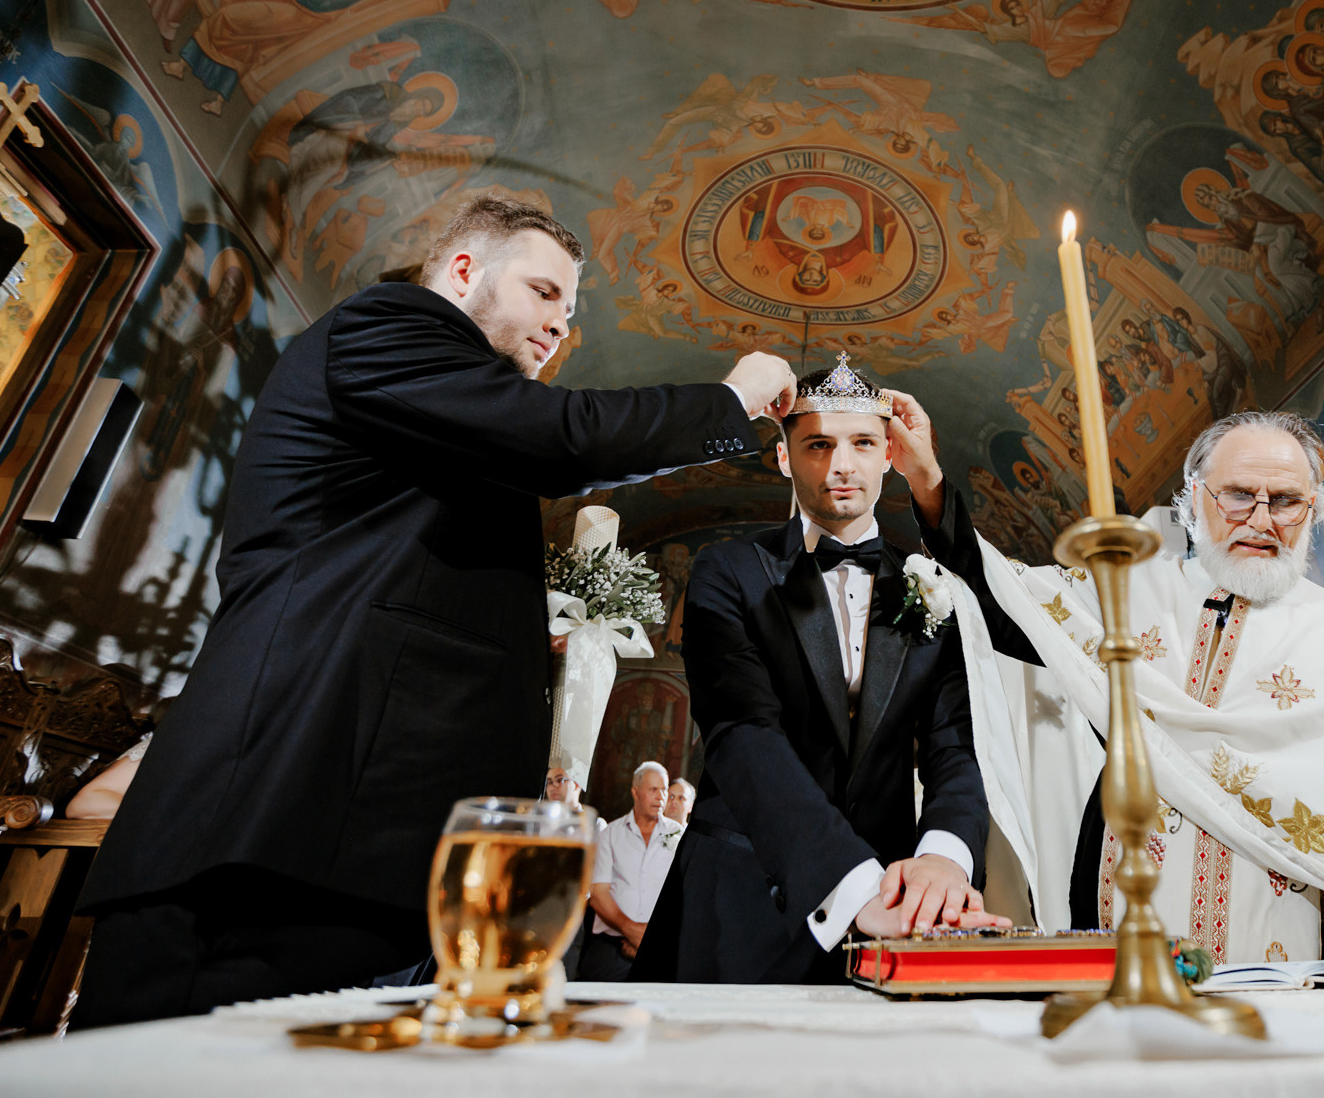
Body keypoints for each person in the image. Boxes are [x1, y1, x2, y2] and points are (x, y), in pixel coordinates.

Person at [72, 194, 796, 1028]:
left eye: (571, 306)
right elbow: (563, 437)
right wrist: (730, 399)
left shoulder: (450, 418)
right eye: (545, 291)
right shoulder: (387, 326)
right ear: (462, 271)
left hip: (362, 852)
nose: (562, 323)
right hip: (279, 830)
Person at [918, 408, 1324, 979]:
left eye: (1286, 502)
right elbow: (1004, 601)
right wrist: (925, 480)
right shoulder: (1123, 594)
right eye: (1239, 495)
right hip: (1117, 926)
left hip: (1292, 951)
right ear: (1194, 499)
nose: (1262, 519)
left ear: (1313, 511)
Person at [634, 357, 1008, 984]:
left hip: (895, 901)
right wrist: (852, 887)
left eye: (863, 443)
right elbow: (743, 733)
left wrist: (943, 861)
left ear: (889, 454)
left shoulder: (930, 585)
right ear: (784, 458)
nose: (842, 465)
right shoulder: (729, 572)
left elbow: (957, 746)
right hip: (742, 895)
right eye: (818, 445)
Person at [580, 762, 685, 983]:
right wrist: (632, 931)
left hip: (663, 947)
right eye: (653, 790)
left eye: (664, 789)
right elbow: (598, 894)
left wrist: (650, 938)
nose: (661, 797)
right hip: (611, 946)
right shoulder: (611, 834)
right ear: (635, 792)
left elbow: (685, 893)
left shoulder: (680, 836)